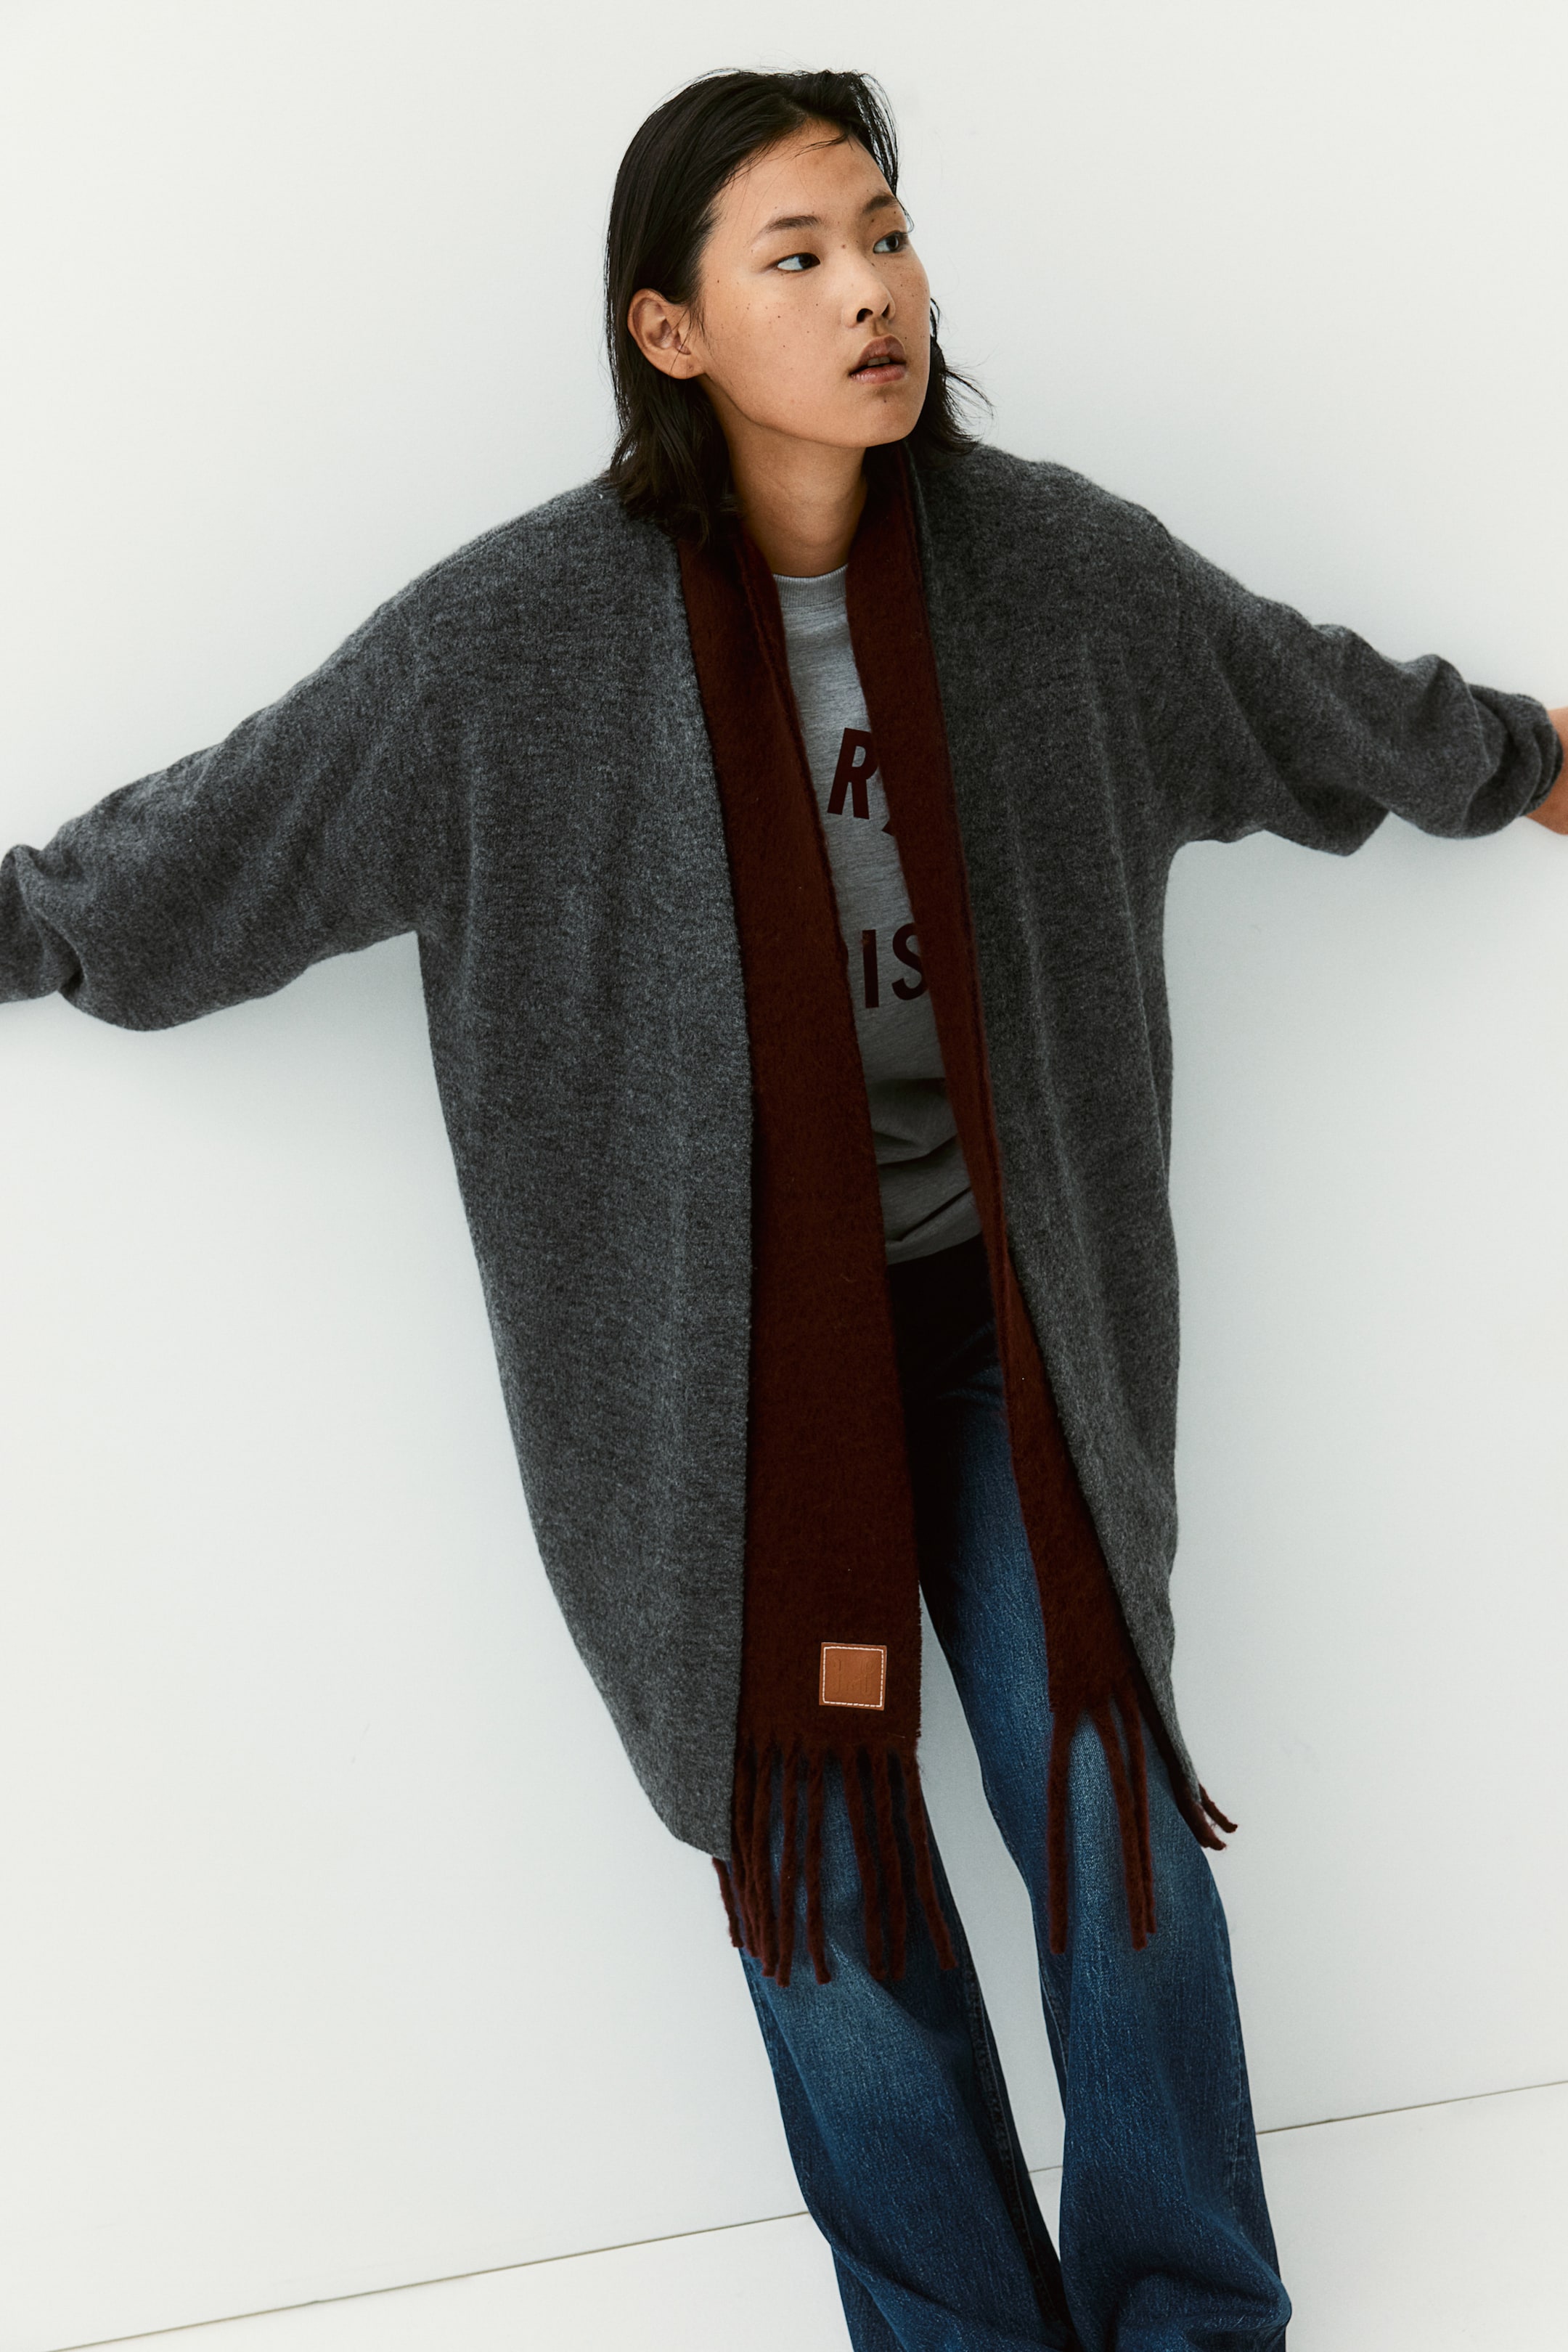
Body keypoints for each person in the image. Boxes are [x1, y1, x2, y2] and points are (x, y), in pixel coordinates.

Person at [2, 65, 1561, 2352]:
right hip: (728, 1375)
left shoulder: (1056, 578)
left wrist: (1524, 757)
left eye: (889, 235)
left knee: (1109, 1823)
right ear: (669, 329)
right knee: (826, 1891)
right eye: (801, 255)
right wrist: (34, 922)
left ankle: (1190, 2320)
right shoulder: (515, 644)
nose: (873, 293)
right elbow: (243, 829)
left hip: (1015, 1327)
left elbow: (1296, 698)